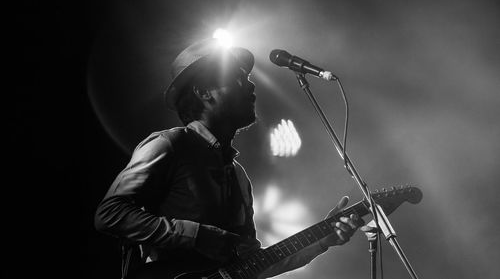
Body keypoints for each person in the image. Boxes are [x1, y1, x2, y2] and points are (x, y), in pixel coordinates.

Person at [94, 38, 364, 279]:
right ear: (203, 92)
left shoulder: (238, 176)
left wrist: (322, 241)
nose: (251, 86)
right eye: (237, 77)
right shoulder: (169, 145)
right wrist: (199, 236)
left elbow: (252, 265)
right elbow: (110, 214)